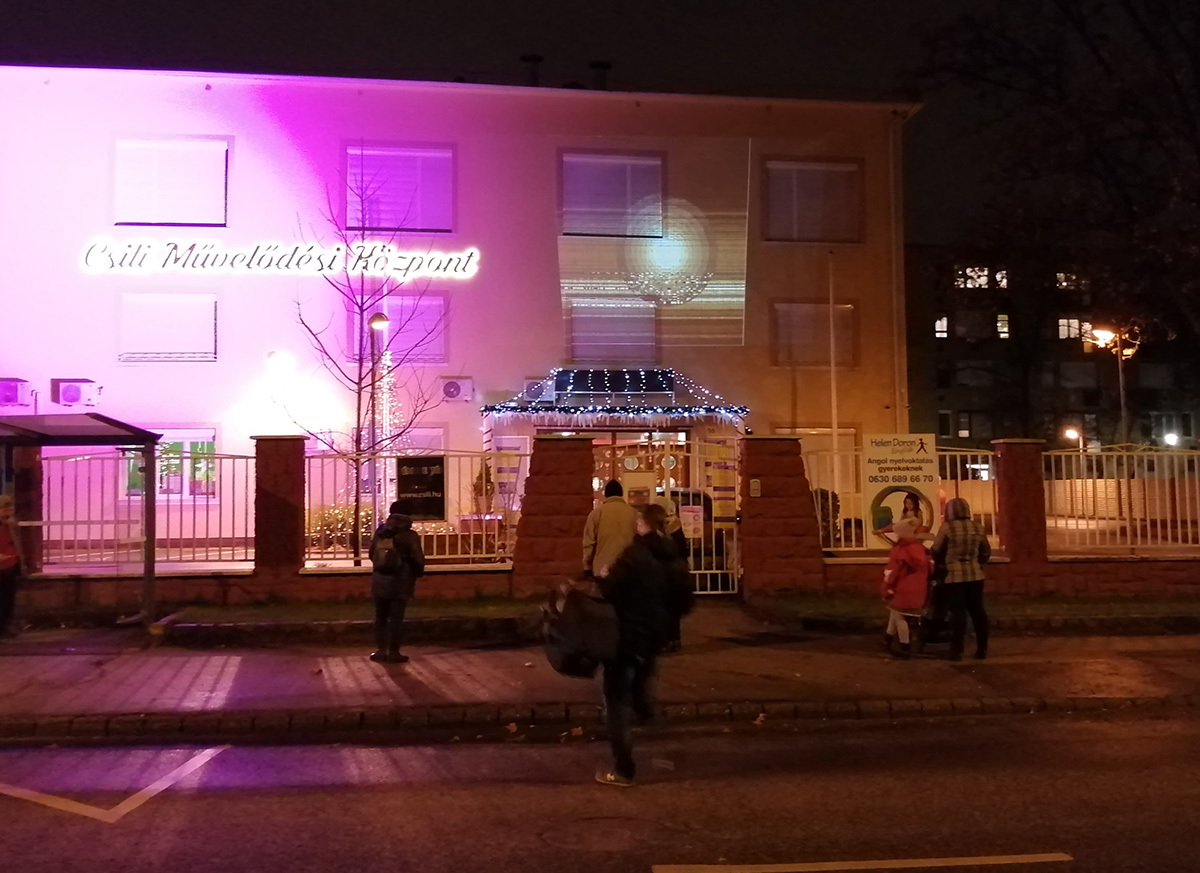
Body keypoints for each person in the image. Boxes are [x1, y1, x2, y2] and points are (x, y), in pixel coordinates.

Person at [593, 504, 672, 787]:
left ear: (644, 524)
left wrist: (605, 575)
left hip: (626, 637)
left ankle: (623, 770)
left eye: (639, 519)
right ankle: (648, 717)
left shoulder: (633, 556)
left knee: (615, 704)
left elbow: (611, 590)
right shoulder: (662, 555)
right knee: (637, 687)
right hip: (650, 634)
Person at [930, 497, 991, 661]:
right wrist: (978, 564)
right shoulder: (978, 527)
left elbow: (936, 550)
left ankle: (956, 649)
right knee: (978, 611)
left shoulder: (947, 528)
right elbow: (986, 551)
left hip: (954, 576)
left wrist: (940, 566)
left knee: (958, 612)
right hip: (975, 575)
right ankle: (982, 649)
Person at [368, 499, 425, 664]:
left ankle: (380, 650)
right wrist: (417, 572)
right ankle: (393, 652)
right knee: (396, 618)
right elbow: (418, 559)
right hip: (401, 581)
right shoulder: (410, 535)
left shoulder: (381, 531)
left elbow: (372, 554)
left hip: (380, 580)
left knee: (380, 616)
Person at [881, 516, 931, 659]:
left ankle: (905, 646)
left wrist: (887, 587)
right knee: (895, 611)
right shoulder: (920, 549)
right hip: (919, 588)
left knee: (900, 617)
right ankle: (888, 638)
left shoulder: (900, 551)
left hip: (902, 588)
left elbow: (894, 572)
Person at [651, 495, 691, 652]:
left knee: (666, 608)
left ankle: (668, 640)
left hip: (666, 573)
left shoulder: (661, 528)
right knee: (672, 609)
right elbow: (683, 551)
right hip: (674, 573)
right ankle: (674, 639)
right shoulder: (676, 526)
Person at [582, 479, 638, 579]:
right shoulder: (634, 513)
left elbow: (589, 543)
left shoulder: (596, 513)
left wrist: (587, 566)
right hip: (628, 567)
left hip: (602, 567)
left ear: (606, 494)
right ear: (621, 493)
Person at [0, 495, 24, 639]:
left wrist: (19, 561)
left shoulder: (11, 524)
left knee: (8, 599)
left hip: (10, 565)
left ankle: (5, 626)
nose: (8, 512)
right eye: (5, 509)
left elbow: (16, 543)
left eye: (10, 509)